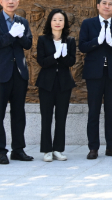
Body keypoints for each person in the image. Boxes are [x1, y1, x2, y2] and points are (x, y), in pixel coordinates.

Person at [79, 0, 112, 160]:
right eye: (104, 3)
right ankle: (93, 148)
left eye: (111, 4)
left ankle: (111, 147)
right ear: (98, 5)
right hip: (94, 74)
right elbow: (82, 47)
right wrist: (97, 41)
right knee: (93, 111)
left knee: (111, 111)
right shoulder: (88, 24)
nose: (107, 6)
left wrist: (111, 42)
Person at [0, 0, 33, 164]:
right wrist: (9, 35)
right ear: (1, 2)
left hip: (19, 73)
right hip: (0, 73)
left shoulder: (22, 21)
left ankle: (18, 150)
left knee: (19, 113)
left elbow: (28, 44)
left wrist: (20, 36)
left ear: (18, 1)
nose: (11, 1)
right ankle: (0, 151)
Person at [36, 9, 76, 162]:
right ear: (50, 22)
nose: (57, 22)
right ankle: (46, 150)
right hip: (46, 84)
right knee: (46, 117)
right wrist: (55, 56)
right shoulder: (43, 40)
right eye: (55, 19)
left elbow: (71, 62)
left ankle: (58, 149)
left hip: (64, 84)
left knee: (61, 117)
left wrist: (64, 56)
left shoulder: (70, 40)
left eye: (61, 20)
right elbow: (42, 61)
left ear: (64, 22)